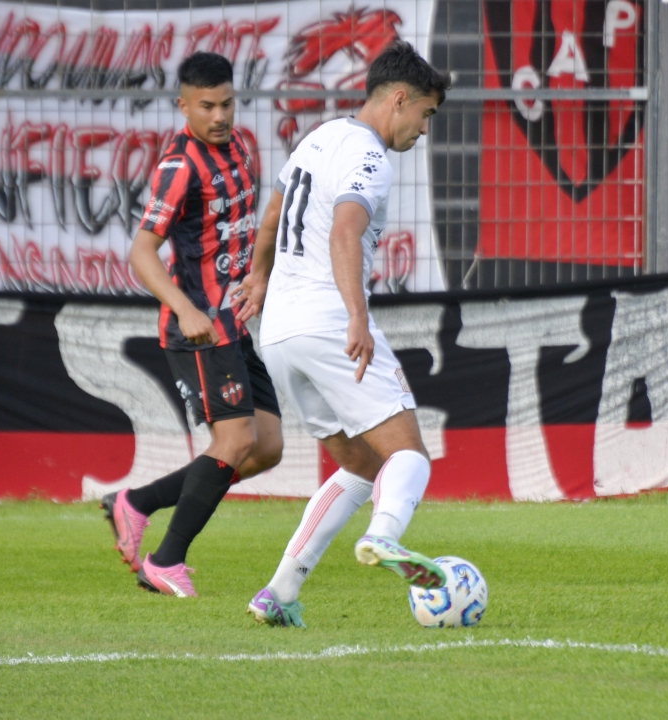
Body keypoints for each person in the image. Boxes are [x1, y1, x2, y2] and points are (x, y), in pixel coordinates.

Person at [231, 41, 449, 628]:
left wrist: (258, 278)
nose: (423, 131)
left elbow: (273, 214)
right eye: (425, 115)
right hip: (328, 320)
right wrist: (357, 315)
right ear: (399, 99)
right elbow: (345, 232)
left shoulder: (319, 137)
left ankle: (279, 591)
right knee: (408, 454)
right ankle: (387, 538)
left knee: (358, 463)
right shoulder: (371, 158)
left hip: (278, 331)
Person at [102, 52, 284, 598]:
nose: (220, 115)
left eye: (227, 103)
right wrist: (184, 307)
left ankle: (134, 503)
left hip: (235, 320)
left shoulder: (243, 146)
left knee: (267, 446)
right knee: (233, 440)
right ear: (183, 106)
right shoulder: (179, 167)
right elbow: (142, 252)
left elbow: (247, 224)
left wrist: (259, 275)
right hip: (198, 328)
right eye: (207, 106)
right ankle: (165, 561)